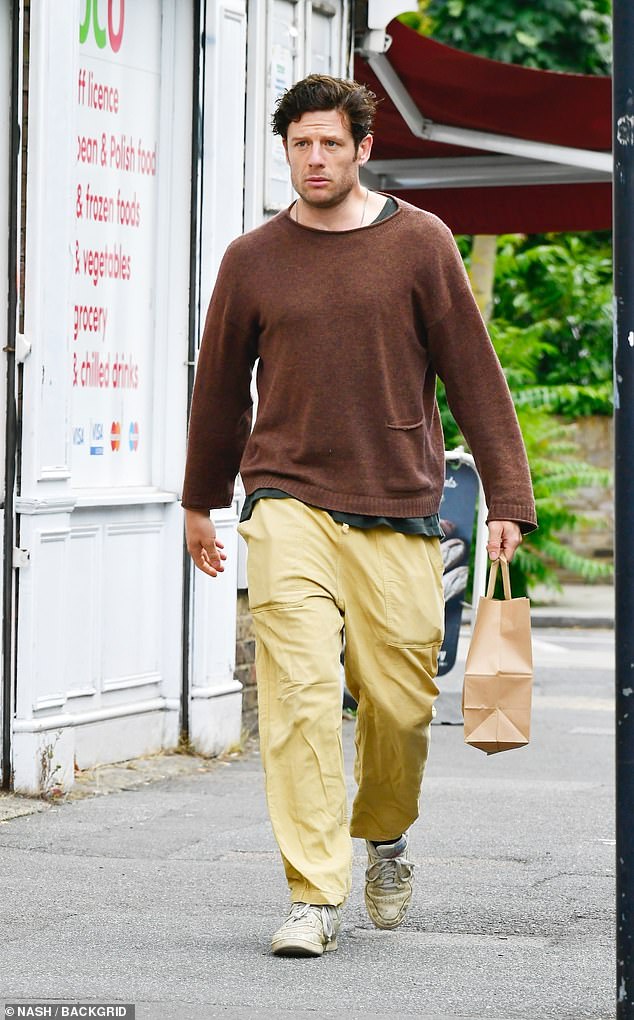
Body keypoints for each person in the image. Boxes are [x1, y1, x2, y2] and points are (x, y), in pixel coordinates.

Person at [182, 74, 537, 958]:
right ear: (286, 149)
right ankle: (312, 893)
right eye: (301, 143)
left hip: (398, 506)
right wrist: (201, 501)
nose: (315, 158)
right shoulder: (252, 259)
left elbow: (473, 374)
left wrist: (508, 497)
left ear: (363, 149)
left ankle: (383, 835)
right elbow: (219, 391)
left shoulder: (421, 245)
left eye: (331, 143)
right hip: (286, 501)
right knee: (299, 698)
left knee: (399, 705)